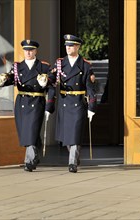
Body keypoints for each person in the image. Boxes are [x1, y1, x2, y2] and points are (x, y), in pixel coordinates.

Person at [0, 40, 51, 172]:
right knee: (26, 131)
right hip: (22, 101)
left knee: (31, 129)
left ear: (35, 51)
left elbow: (52, 84)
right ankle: (35, 154)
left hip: (37, 100)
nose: (28, 52)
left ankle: (29, 161)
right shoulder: (17, 66)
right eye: (26, 50)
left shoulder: (43, 66)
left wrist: (45, 84)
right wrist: (2, 80)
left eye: (31, 50)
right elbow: (11, 79)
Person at [46, 34, 97, 173]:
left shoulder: (85, 65)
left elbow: (90, 88)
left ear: (78, 47)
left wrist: (92, 107)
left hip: (78, 103)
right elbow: (52, 79)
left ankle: (72, 162)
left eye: (71, 46)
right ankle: (74, 155)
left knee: (75, 133)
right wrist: (45, 79)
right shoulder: (60, 63)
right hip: (64, 101)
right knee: (67, 136)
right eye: (67, 46)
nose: (68, 48)